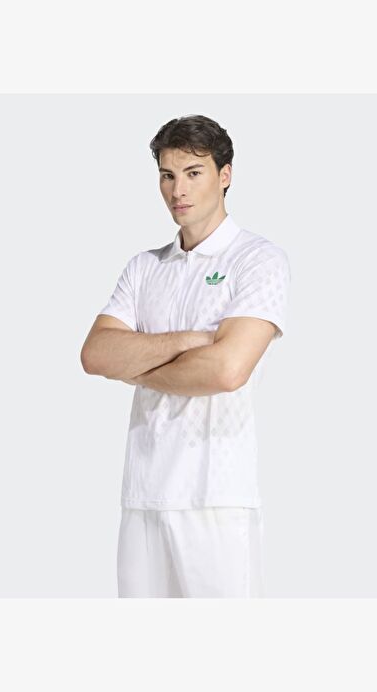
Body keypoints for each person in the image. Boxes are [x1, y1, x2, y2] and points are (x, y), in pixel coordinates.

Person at [80, 114, 291, 597]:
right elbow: (96, 355)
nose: (178, 190)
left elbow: (227, 369)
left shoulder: (258, 260)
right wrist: (189, 341)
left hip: (215, 497)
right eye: (167, 175)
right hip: (143, 494)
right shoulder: (144, 267)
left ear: (225, 174)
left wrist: (135, 364)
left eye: (194, 173)